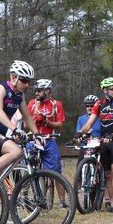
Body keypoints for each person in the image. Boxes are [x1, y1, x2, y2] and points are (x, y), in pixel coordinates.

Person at [76, 77, 113, 214]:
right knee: (107, 173)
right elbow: (89, 123)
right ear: (105, 90)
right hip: (103, 141)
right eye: (112, 89)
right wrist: (80, 132)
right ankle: (111, 202)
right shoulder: (99, 105)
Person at [0, 61, 35, 176]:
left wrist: (37, 134)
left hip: (0, 136)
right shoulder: (1, 88)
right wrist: (15, 129)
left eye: (29, 81)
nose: (27, 85)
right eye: (24, 80)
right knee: (16, 151)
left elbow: (27, 117)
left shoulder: (19, 95)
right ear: (14, 77)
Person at [27, 78, 67, 208]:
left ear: (47, 91)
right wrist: (35, 119)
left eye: (39, 91)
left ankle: (62, 202)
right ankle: (25, 197)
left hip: (49, 139)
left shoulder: (56, 104)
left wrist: (47, 122)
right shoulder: (32, 103)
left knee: (56, 172)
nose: (36, 93)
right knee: (28, 168)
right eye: (36, 91)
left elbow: (60, 125)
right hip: (34, 138)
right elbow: (25, 122)